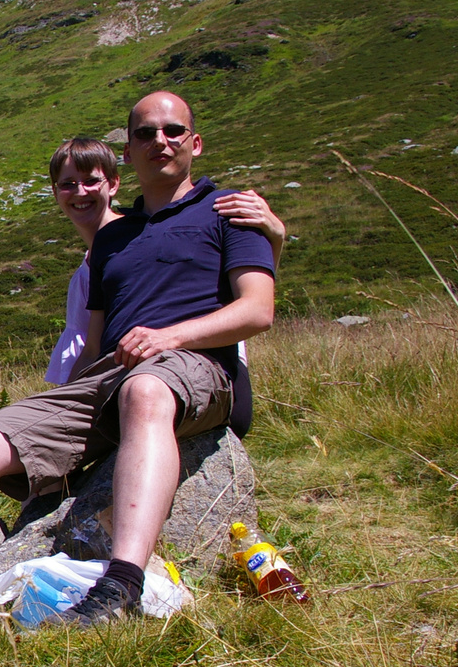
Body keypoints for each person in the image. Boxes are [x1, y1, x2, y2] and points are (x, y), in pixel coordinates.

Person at [0, 91, 278, 667]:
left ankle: (119, 588)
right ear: (130, 151)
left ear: (194, 143)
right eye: (146, 133)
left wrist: (172, 336)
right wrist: (56, 419)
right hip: (111, 378)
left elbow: (257, 310)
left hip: (197, 366)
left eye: (174, 131)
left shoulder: (228, 211)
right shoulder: (111, 243)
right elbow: (94, 348)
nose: (161, 142)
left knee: (144, 390)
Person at [44, 140, 286, 441]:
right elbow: (90, 348)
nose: (80, 192)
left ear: (113, 183)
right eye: (68, 184)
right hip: (117, 379)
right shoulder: (97, 258)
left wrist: (275, 239)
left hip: (190, 373)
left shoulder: (148, 237)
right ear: (54, 191)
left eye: (92, 181)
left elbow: (241, 295)